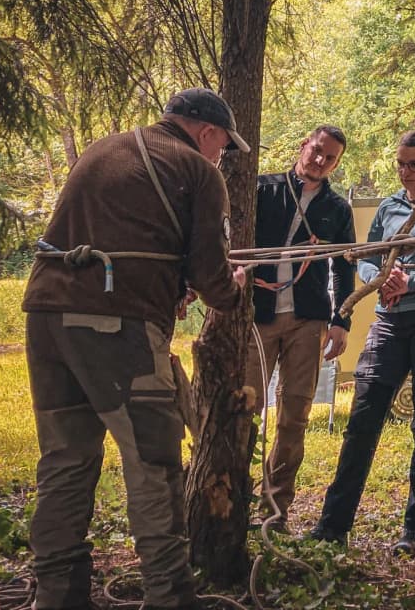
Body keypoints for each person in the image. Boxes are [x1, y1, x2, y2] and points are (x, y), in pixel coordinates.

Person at [22, 88, 248, 610]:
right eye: (223, 147)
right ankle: (170, 597)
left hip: (46, 316)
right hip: (115, 326)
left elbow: (126, 238)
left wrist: (167, 284)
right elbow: (213, 276)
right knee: (153, 461)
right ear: (207, 132)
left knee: (65, 458)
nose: (222, 158)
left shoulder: (105, 148)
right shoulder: (198, 170)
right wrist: (230, 290)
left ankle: (58, 596)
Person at [309, 130, 415, 554]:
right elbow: (367, 260)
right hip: (388, 322)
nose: (406, 172)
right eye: (401, 164)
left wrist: (413, 282)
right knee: (363, 420)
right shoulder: (387, 206)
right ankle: (333, 527)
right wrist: (380, 280)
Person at [246, 124, 355, 531]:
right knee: (246, 408)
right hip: (258, 316)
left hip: (308, 320)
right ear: (303, 147)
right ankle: (232, 502)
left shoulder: (337, 209)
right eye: (317, 151)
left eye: (330, 158)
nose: (320, 161)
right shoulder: (262, 189)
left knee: (294, 416)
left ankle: (274, 511)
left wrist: (340, 320)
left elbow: (346, 266)